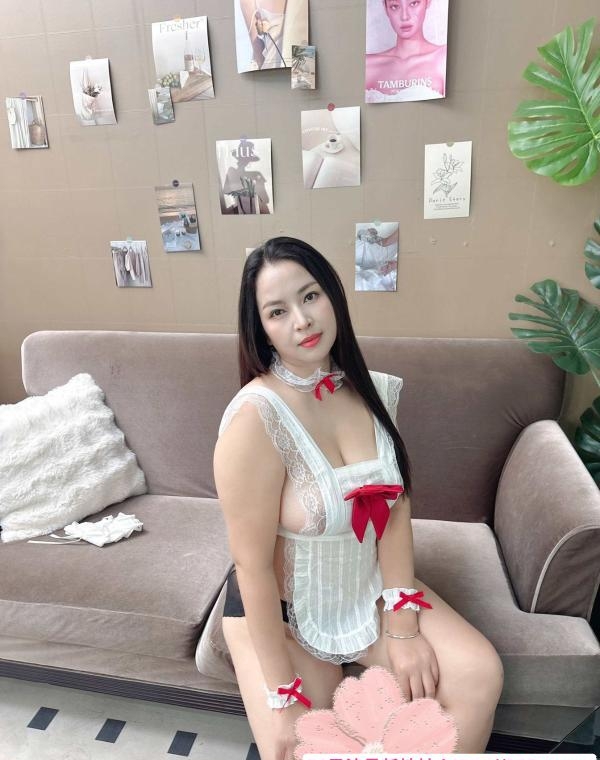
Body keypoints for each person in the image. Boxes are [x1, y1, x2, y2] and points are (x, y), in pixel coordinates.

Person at [213, 237, 504, 760]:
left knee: (478, 674)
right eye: (278, 311)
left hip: (366, 587)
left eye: (310, 296)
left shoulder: (370, 390)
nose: (302, 320)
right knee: (305, 742)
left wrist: (404, 628)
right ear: (261, 328)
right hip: (284, 612)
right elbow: (250, 566)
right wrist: (282, 693)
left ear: (334, 296)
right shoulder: (255, 418)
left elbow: (394, 512)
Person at [365, 0, 447, 103]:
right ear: (385, 8)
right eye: (395, 6)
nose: (404, 17)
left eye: (414, 3)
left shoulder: (442, 58)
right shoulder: (369, 65)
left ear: (428, 2)